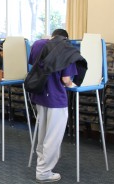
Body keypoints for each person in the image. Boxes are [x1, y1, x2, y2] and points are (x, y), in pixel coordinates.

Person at [28, 29, 86, 183]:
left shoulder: (38, 44)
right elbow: (66, 79)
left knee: (43, 134)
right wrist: (74, 84)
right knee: (53, 137)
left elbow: (33, 64)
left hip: (40, 95)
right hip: (56, 98)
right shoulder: (66, 49)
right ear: (66, 38)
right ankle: (44, 172)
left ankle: (41, 164)